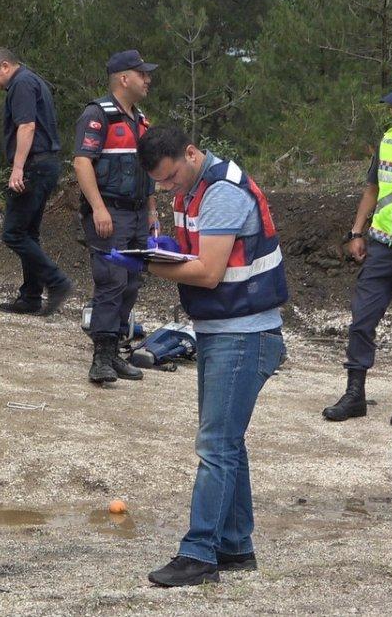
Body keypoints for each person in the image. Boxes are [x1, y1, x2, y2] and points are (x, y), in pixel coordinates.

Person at [107, 126, 287, 587]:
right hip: (224, 330)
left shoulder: (222, 192)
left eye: (171, 178)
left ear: (190, 154)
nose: (169, 188)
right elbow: (197, 255)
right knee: (228, 443)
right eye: (162, 184)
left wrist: (148, 263)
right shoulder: (192, 186)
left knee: (215, 447)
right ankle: (234, 545)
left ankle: (199, 553)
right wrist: (165, 250)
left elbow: (207, 273)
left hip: (244, 334)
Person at [73, 50, 159, 384]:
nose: (147, 79)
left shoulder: (141, 120)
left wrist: (152, 212)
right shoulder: (98, 115)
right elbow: (82, 163)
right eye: (142, 74)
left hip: (137, 214)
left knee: (131, 283)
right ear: (124, 78)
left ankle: (116, 352)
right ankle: (101, 359)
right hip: (111, 211)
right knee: (111, 281)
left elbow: (148, 171)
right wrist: (98, 208)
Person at [322, 82, 392, 425]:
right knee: (362, 319)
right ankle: (355, 395)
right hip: (382, 246)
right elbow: (372, 188)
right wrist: (356, 231)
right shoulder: (388, 141)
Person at [0, 46, 74, 316]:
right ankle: (30, 296)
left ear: (5, 66)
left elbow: (27, 126)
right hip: (45, 165)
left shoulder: (21, 84)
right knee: (28, 232)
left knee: (13, 233)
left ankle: (57, 282)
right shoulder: (32, 81)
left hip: (34, 166)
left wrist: (18, 168)